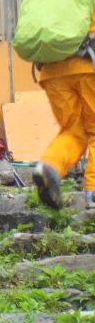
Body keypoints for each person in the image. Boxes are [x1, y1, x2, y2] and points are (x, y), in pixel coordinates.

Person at [31, 11, 95, 211]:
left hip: (53, 70)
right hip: (88, 64)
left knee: (73, 132)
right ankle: (93, 190)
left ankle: (49, 166)